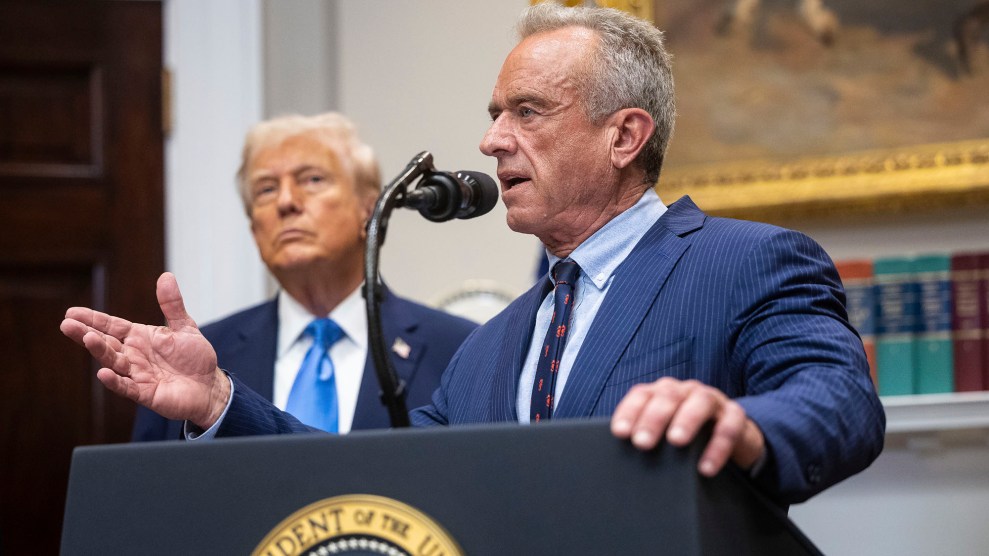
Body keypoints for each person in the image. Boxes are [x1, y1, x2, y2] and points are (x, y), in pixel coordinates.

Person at [61, 4, 884, 505]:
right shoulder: (490, 346)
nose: (492, 141)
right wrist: (215, 402)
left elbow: (839, 401)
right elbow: (376, 479)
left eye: (528, 112)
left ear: (624, 135)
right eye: (495, 113)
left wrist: (741, 425)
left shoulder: (746, 263)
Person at [131, 112, 477, 440]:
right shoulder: (195, 362)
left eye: (312, 179)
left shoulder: (461, 349)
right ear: (255, 229)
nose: (286, 202)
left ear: (369, 209)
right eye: (266, 189)